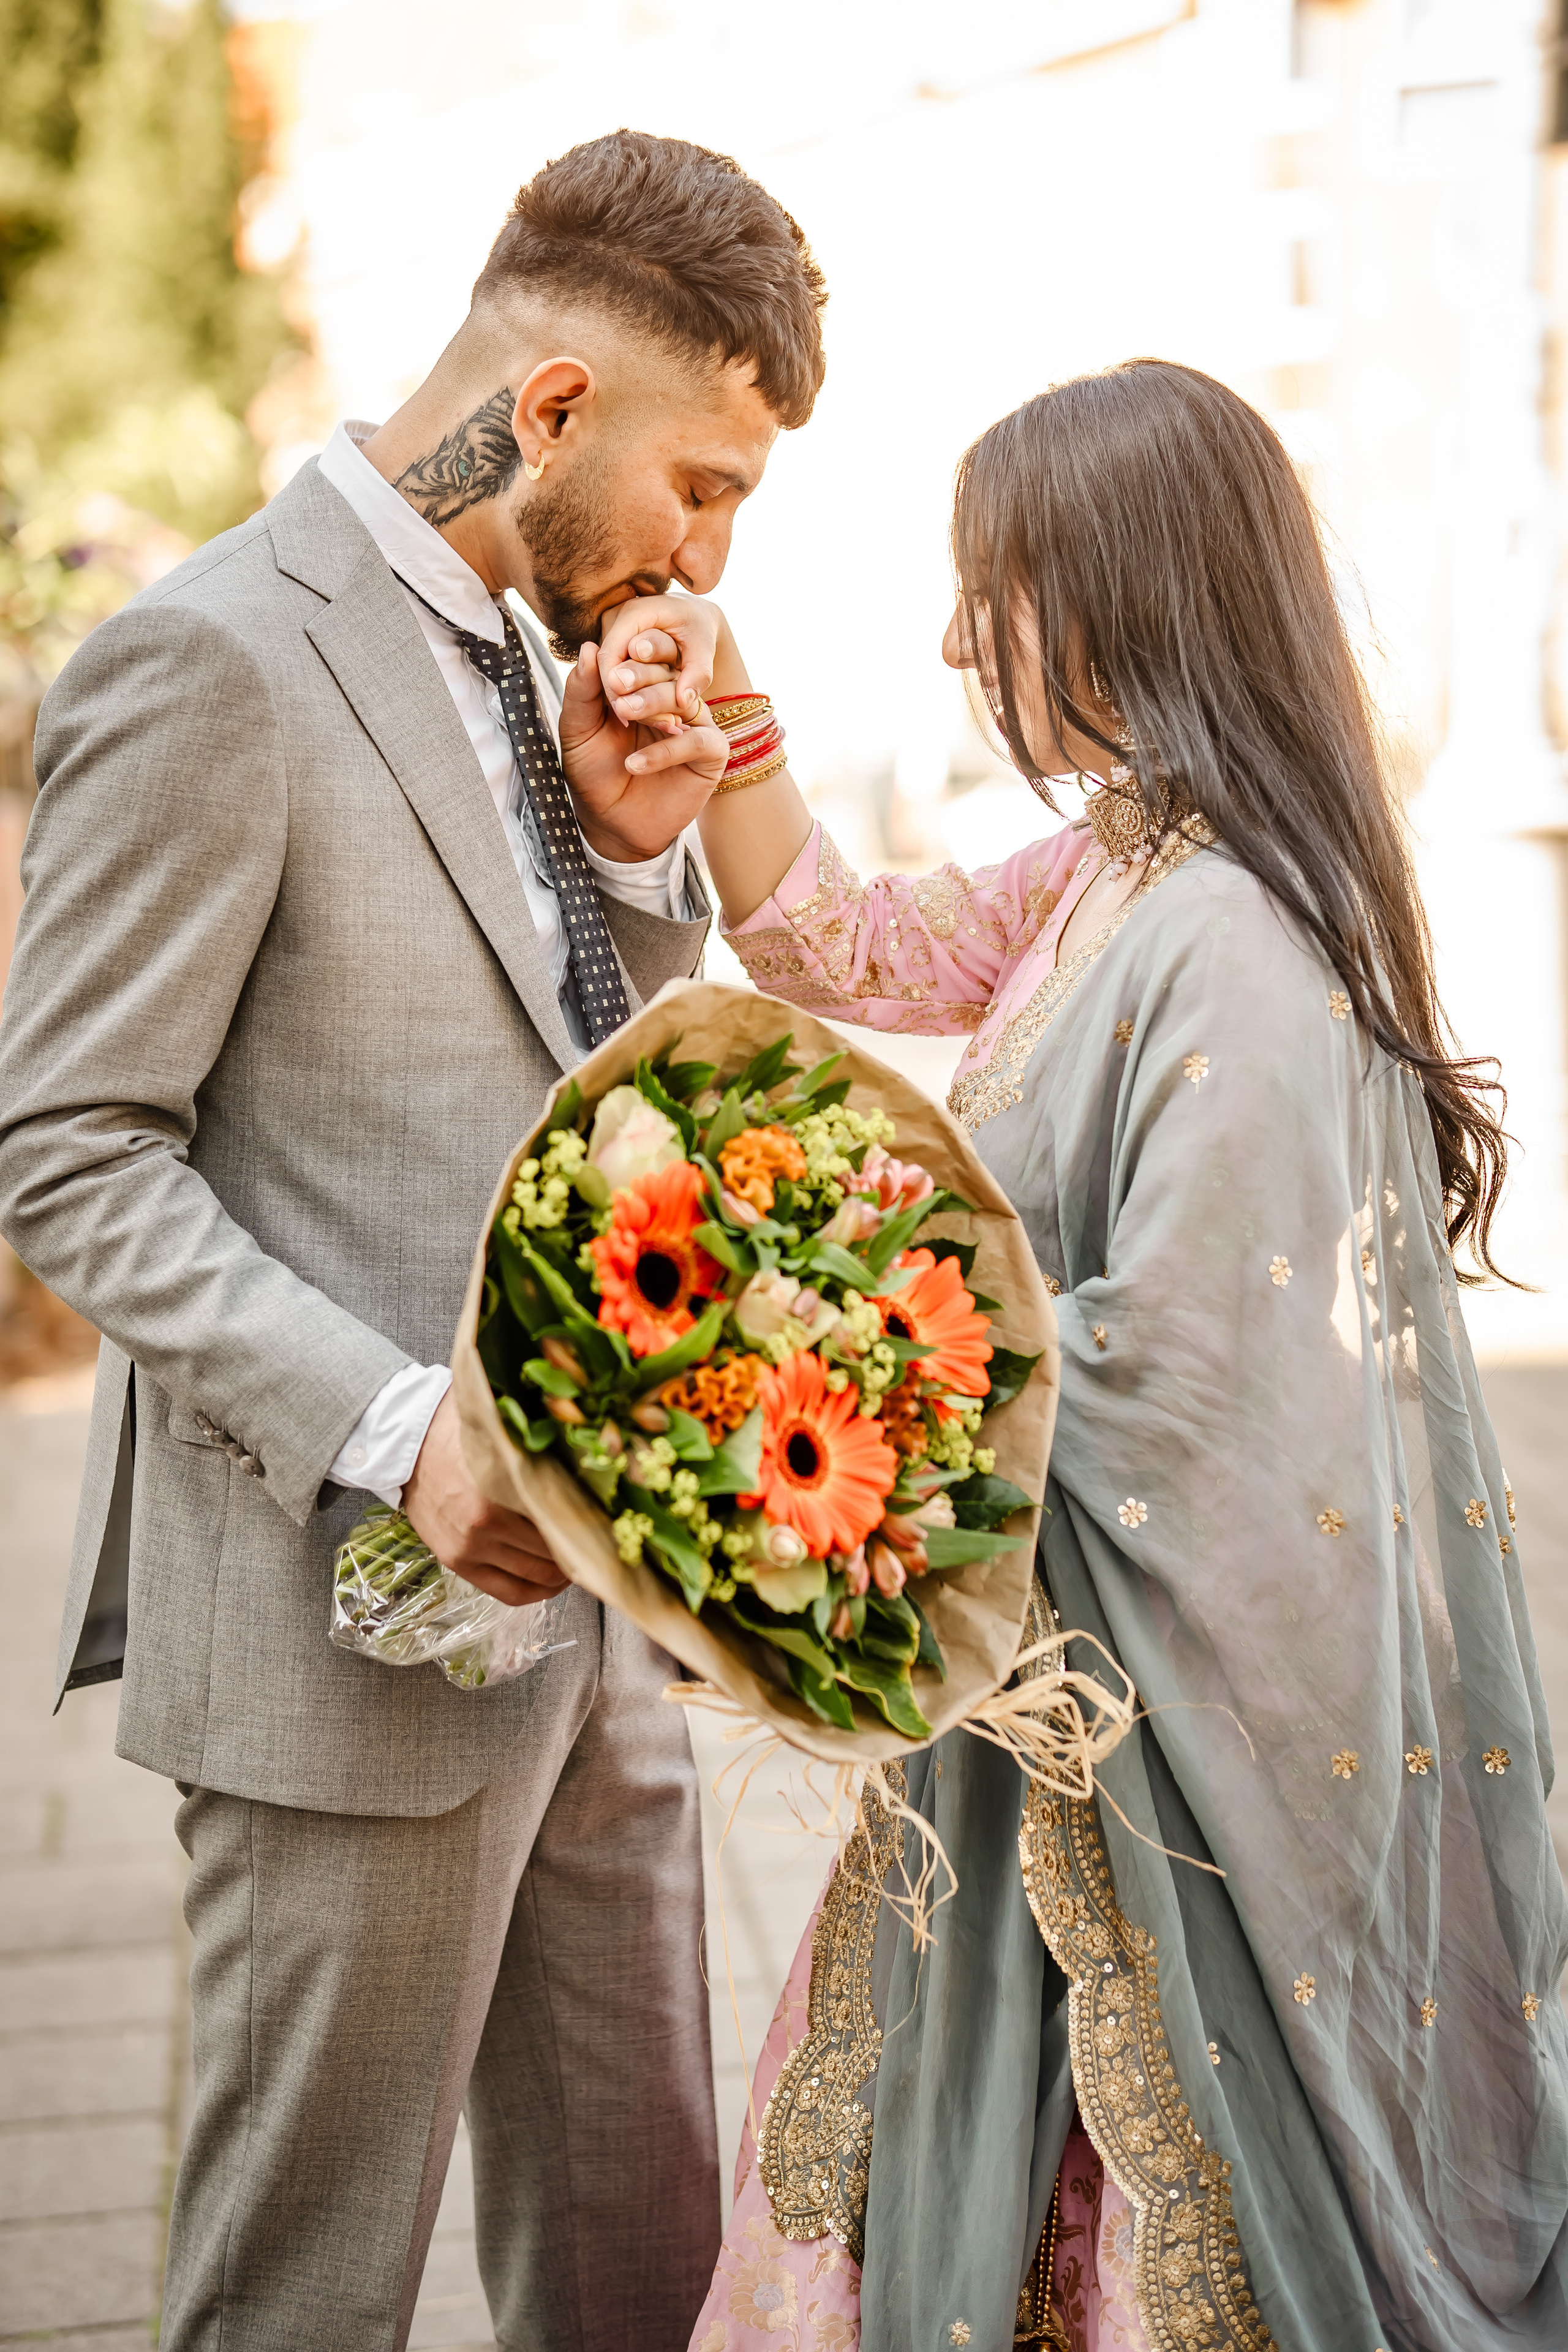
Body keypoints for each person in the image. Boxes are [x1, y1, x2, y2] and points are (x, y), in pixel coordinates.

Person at [0, 130, 825, 2352]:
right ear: (550, 410)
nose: (708, 551)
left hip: (597, 1635)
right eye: (706, 483)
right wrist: (398, 1435)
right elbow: (67, 1149)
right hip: (334, 1655)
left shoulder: (539, 660)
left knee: (644, 2274)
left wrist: (652, 872)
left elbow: (570, 1092)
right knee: (302, 2296)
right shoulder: (207, 664)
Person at [671, 361, 1568, 2350]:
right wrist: (713, 700)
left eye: (992, 590)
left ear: (1122, 600)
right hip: (1028, 1698)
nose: (955, 640)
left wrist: (815, 1371)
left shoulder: (1229, 932)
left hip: (1139, 1742)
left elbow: (1176, 1376)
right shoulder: (1115, 864)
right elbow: (858, 950)